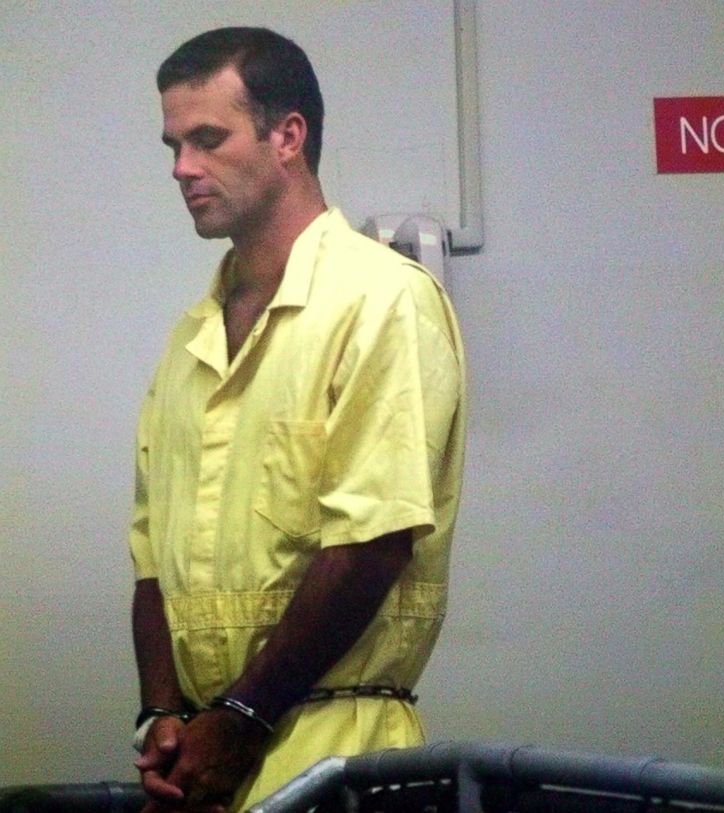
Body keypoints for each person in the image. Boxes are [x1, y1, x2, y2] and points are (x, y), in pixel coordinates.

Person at [128, 27, 466, 812]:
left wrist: (242, 716)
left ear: (288, 136)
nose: (183, 167)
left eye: (208, 138)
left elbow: (374, 540)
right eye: (174, 144)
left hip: (338, 748)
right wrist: (166, 720)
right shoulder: (191, 337)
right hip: (208, 755)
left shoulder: (382, 299)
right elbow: (152, 560)